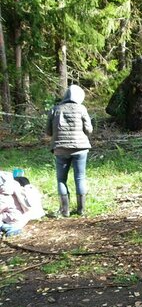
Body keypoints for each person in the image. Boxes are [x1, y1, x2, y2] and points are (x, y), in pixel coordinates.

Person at [46, 84, 93, 217]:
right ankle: (81, 210)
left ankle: (64, 210)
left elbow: (48, 132)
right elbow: (89, 130)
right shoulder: (81, 109)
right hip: (80, 148)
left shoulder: (55, 109)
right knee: (80, 178)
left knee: (61, 179)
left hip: (60, 148)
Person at [0, 172, 44, 236]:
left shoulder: (5, 195)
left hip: (14, 220)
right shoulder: (13, 186)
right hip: (15, 216)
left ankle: (8, 228)